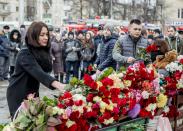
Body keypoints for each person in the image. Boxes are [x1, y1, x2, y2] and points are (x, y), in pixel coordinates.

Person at [6, 22, 65, 118]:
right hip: (18, 93)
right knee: (23, 124)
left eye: (47, 34)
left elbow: (47, 68)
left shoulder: (39, 51)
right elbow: (38, 73)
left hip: (32, 92)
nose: (46, 37)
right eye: (42, 35)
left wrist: (46, 51)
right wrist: (59, 85)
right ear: (33, 36)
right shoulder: (24, 53)